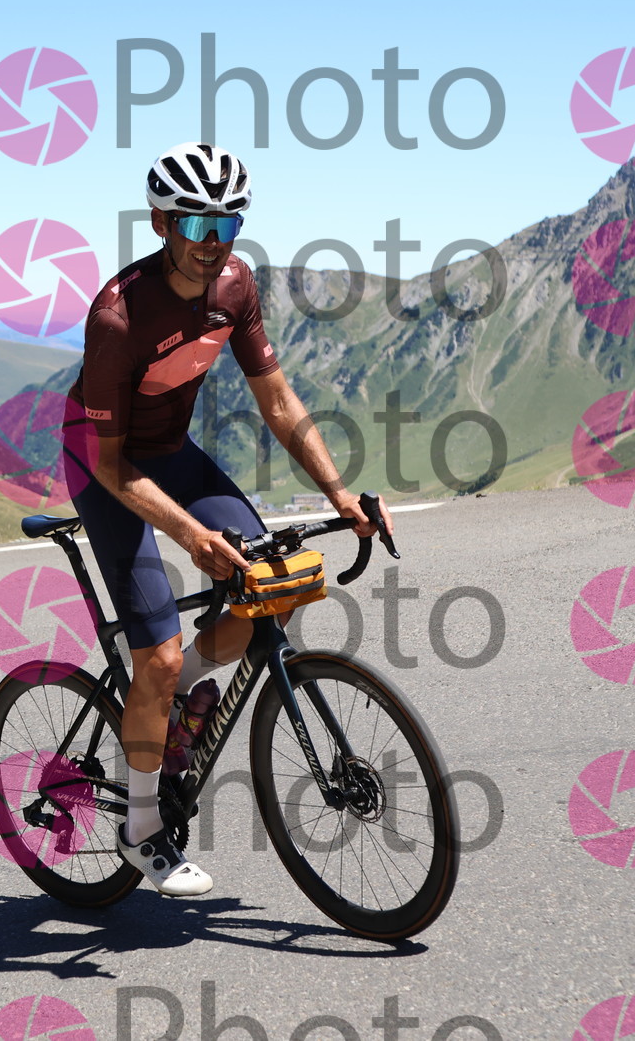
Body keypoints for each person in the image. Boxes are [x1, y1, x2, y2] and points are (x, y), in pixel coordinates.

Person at [64, 142, 393, 897]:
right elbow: (110, 462)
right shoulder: (118, 317)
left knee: (272, 586)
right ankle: (141, 827)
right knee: (158, 658)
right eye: (196, 223)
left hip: (171, 453)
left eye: (227, 222)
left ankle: (175, 708)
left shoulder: (236, 286)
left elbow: (276, 400)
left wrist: (338, 492)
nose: (213, 241)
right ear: (161, 222)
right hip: (104, 466)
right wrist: (189, 534)